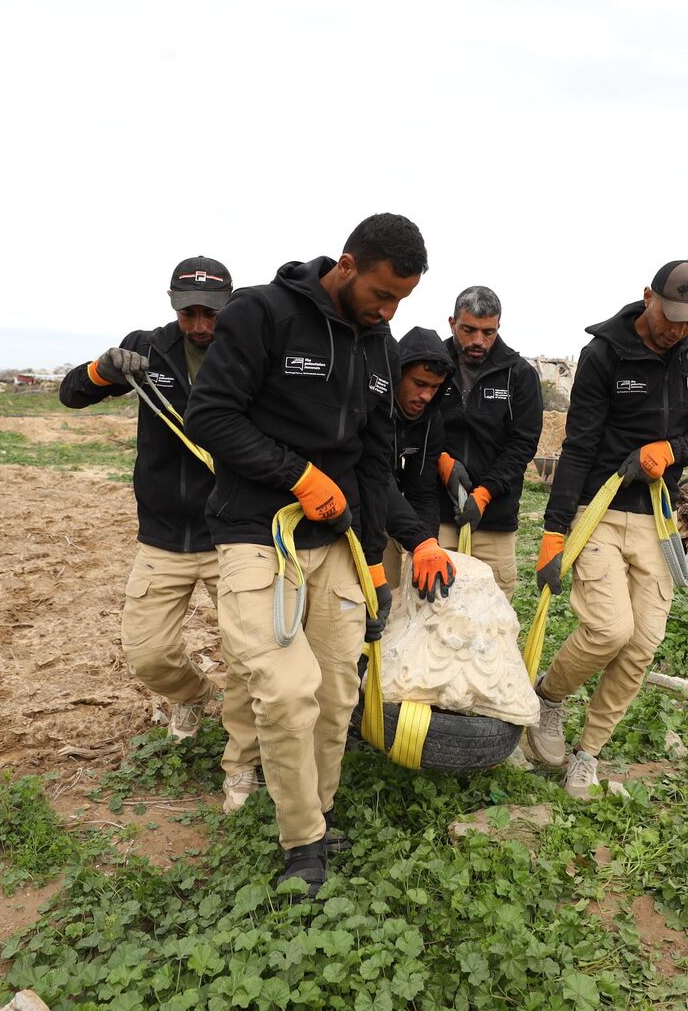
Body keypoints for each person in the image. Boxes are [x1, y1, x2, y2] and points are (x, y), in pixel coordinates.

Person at [183, 213, 428, 897]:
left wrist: (376, 566)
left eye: (400, 301)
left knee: (334, 691)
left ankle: (316, 812)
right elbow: (211, 416)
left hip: (342, 544)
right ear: (347, 264)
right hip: (256, 533)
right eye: (382, 294)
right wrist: (296, 473)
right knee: (287, 690)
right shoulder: (262, 313)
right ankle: (301, 840)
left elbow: (378, 459)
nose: (388, 311)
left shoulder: (379, 343)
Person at [57, 256, 262, 814]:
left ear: (231, 304)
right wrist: (102, 369)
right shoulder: (147, 347)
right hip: (164, 534)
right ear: (172, 304)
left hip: (234, 533)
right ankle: (192, 696)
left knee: (249, 656)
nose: (199, 325)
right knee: (146, 653)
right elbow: (71, 395)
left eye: (210, 313)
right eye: (188, 312)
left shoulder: (250, 348)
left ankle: (244, 760)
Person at [525, 261, 688, 799]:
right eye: (672, 317)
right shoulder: (604, 355)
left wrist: (672, 450)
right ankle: (548, 696)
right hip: (599, 508)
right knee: (608, 630)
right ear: (648, 297)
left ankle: (587, 753)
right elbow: (579, 446)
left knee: (642, 643)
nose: (679, 330)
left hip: (657, 515)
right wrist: (554, 530)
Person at [430, 286, 543, 598]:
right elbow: (410, 427)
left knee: (492, 619)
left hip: (494, 520)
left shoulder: (519, 375)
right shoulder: (430, 364)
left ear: (498, 327)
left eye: (488, 332)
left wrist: (484, 493)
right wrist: (438, 458)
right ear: (452, 322)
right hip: (437, 515)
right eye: (468, 330)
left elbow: (523, 444)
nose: (478, 341)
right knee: (433, 618)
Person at [383, 327, 459, 601]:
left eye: (435, 387)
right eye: (419, 384)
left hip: (390, 510)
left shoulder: (430, 420)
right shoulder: (374, 407)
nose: (426, 396)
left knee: (393, 597)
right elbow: (377, 479)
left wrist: (429, 545)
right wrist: (419, 539)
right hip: (354, 511)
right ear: (398, 373)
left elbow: (422, 490)